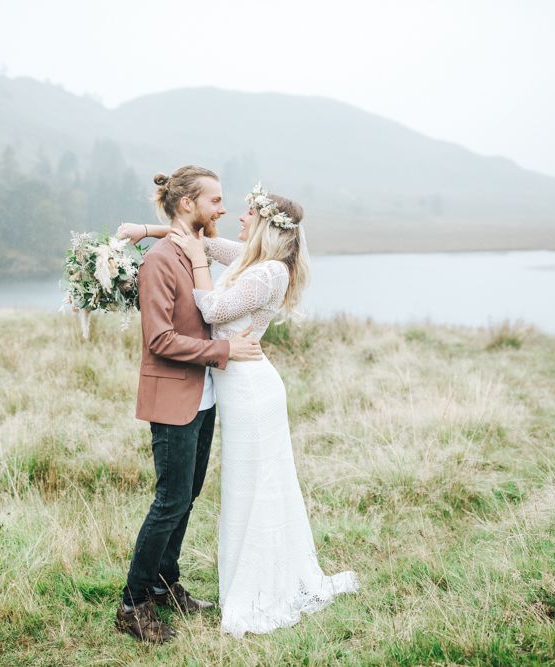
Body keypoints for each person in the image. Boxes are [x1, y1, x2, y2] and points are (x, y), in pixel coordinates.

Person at [119, 182, 358, 639]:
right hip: (221, 383)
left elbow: (212, 304)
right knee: (179, 497)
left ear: (267, 227)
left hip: (244, 388)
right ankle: (136, 602)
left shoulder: (268, 272)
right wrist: (146, 229)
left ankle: (211, 583)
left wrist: (202, 267)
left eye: (249, 214)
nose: (238, 216)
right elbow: (200, 240)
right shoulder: (251, 259)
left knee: (242, 488)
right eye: (228, 206)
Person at [115, 166, 264, 644]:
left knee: (189, 493)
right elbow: (159, 339)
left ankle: (163, 584)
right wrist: (224, 351)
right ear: (187, 205)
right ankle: (132, 604)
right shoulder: (159, 262)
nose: (222, 209)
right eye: (215, 200)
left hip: (202, 399)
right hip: (172, 399)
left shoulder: (192, 251)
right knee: (169, 500)